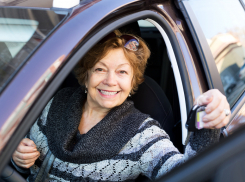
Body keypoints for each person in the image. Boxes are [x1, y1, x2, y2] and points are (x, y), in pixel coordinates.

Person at [12, 30, 230, 181]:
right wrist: (17, 155)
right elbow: (22, 147)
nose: (110, 81)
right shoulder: (56, 101)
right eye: (100, 69)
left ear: (132, 82)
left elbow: (191, 174)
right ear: (86, 76)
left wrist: (208, 122)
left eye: (122, 72)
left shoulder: (141, 134)